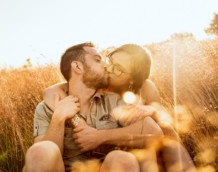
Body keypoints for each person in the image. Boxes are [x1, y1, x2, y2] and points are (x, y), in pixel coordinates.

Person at [42, 44, 196, 172]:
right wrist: (51, 92)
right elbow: (55, 91)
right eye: (110, 60)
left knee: (167, 136)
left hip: (139, 143)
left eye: (118, 68)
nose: (108, 68)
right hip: (113, 152)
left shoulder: (145, 87)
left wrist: (152, 110)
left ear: (131, 79)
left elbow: (163, 127)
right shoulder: (100, 84)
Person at [23, 42, 163, 172]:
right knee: (39, 151)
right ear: (77, 67)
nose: (106, 66)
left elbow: (155, 132)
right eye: (97, 60)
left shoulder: (113, 101)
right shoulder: (46, 107)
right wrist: (58, 119)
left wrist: (99, 137)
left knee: (122, 159)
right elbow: (43, 158)